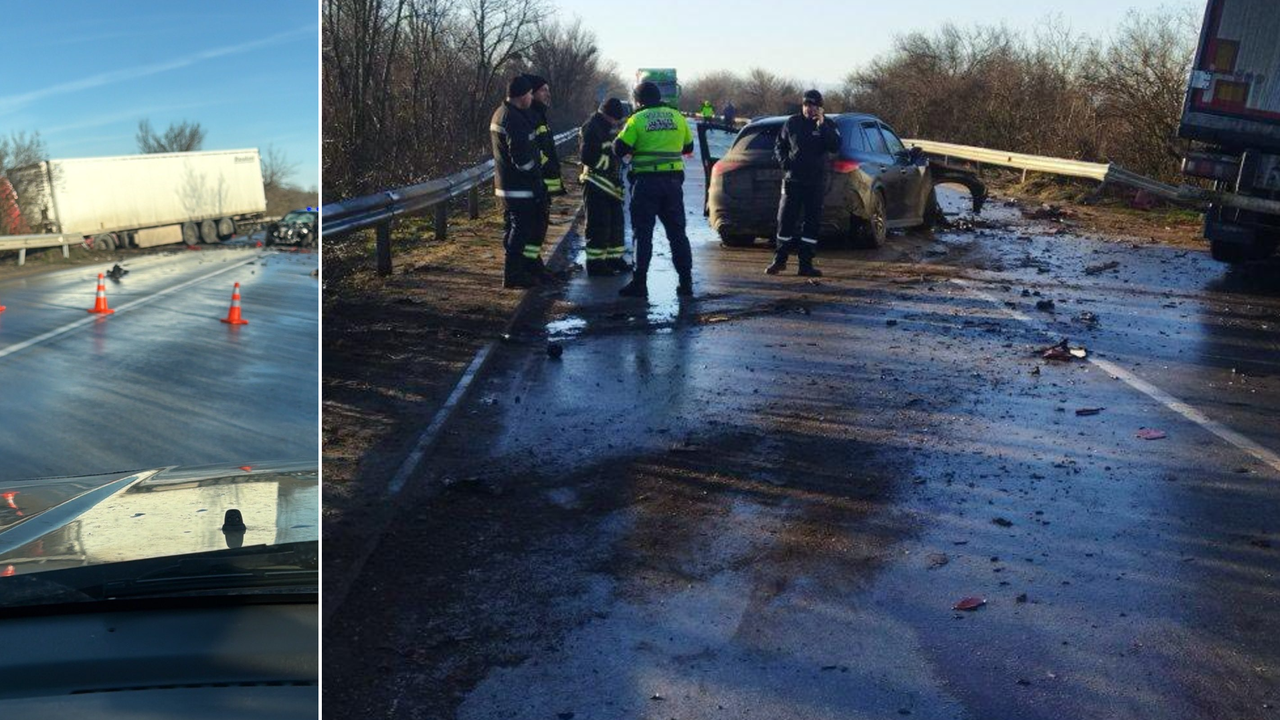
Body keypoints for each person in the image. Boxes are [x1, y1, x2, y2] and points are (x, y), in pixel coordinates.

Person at [613, 81, 695, 297]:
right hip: (672, 184)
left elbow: (618, 148)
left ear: (638, 100)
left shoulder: (637, 119)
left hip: (646, 184)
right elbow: (689, 147)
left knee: (643, 234)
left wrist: (632, 154)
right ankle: (686, 282)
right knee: (678, 234)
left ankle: (640, 284)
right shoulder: (677, 117)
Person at [767, 89, 840, 277]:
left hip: (815, 182)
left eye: (813, 105)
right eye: (806, 105)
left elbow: (835, 145)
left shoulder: (828, 124)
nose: (809, 108)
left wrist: (822, 126)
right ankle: (779, 260)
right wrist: (785, 162)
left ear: (820, 107)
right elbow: (779, 145)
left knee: (812, 223)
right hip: (793, 180)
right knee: (785, 220)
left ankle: (805, 264)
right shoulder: (792, 123)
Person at [490, 75, 547, 288]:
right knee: (521, 229)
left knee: (515, 229)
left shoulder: (502, 112)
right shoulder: (513, 118)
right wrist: (535, 174)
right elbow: (520, 156)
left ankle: (519, 271)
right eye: (531, 94)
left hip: (508, 185)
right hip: (519, 187)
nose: (532, 98)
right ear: (523, 96)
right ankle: (513, 275)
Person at [579, 98, 628, 276]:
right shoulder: (592, 127)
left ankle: (614, 258)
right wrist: (610, 164)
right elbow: (587, 157)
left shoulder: (608, 126)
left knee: (615, 223)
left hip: (610, 185)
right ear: (609, 115)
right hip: (595, 183)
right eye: (615, 120)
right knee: (598, 224)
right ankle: (595, 263)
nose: (617, 124)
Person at [522, 74, 563, 281]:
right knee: (533, 228)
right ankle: (530, 266)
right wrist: (544, 168)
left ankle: (534, 264)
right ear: (532, 92)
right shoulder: (530, 116)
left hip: (542, 184)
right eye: (543, 90)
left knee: (539, 228)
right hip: (535, 183)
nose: (547, 94)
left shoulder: (539, 114)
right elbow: (533, 150)